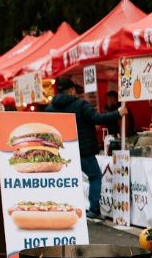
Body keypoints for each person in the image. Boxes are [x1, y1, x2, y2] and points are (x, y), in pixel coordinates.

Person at [47, 76, 122, 219]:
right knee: (94, 176)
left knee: (66, 180)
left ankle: (63, 207)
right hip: (84, 150)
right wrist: (117, 113)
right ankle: (93, 210)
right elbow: (97, 118)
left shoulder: (50, 108)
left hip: (62, 151)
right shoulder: (80, 105)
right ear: (71, 90)